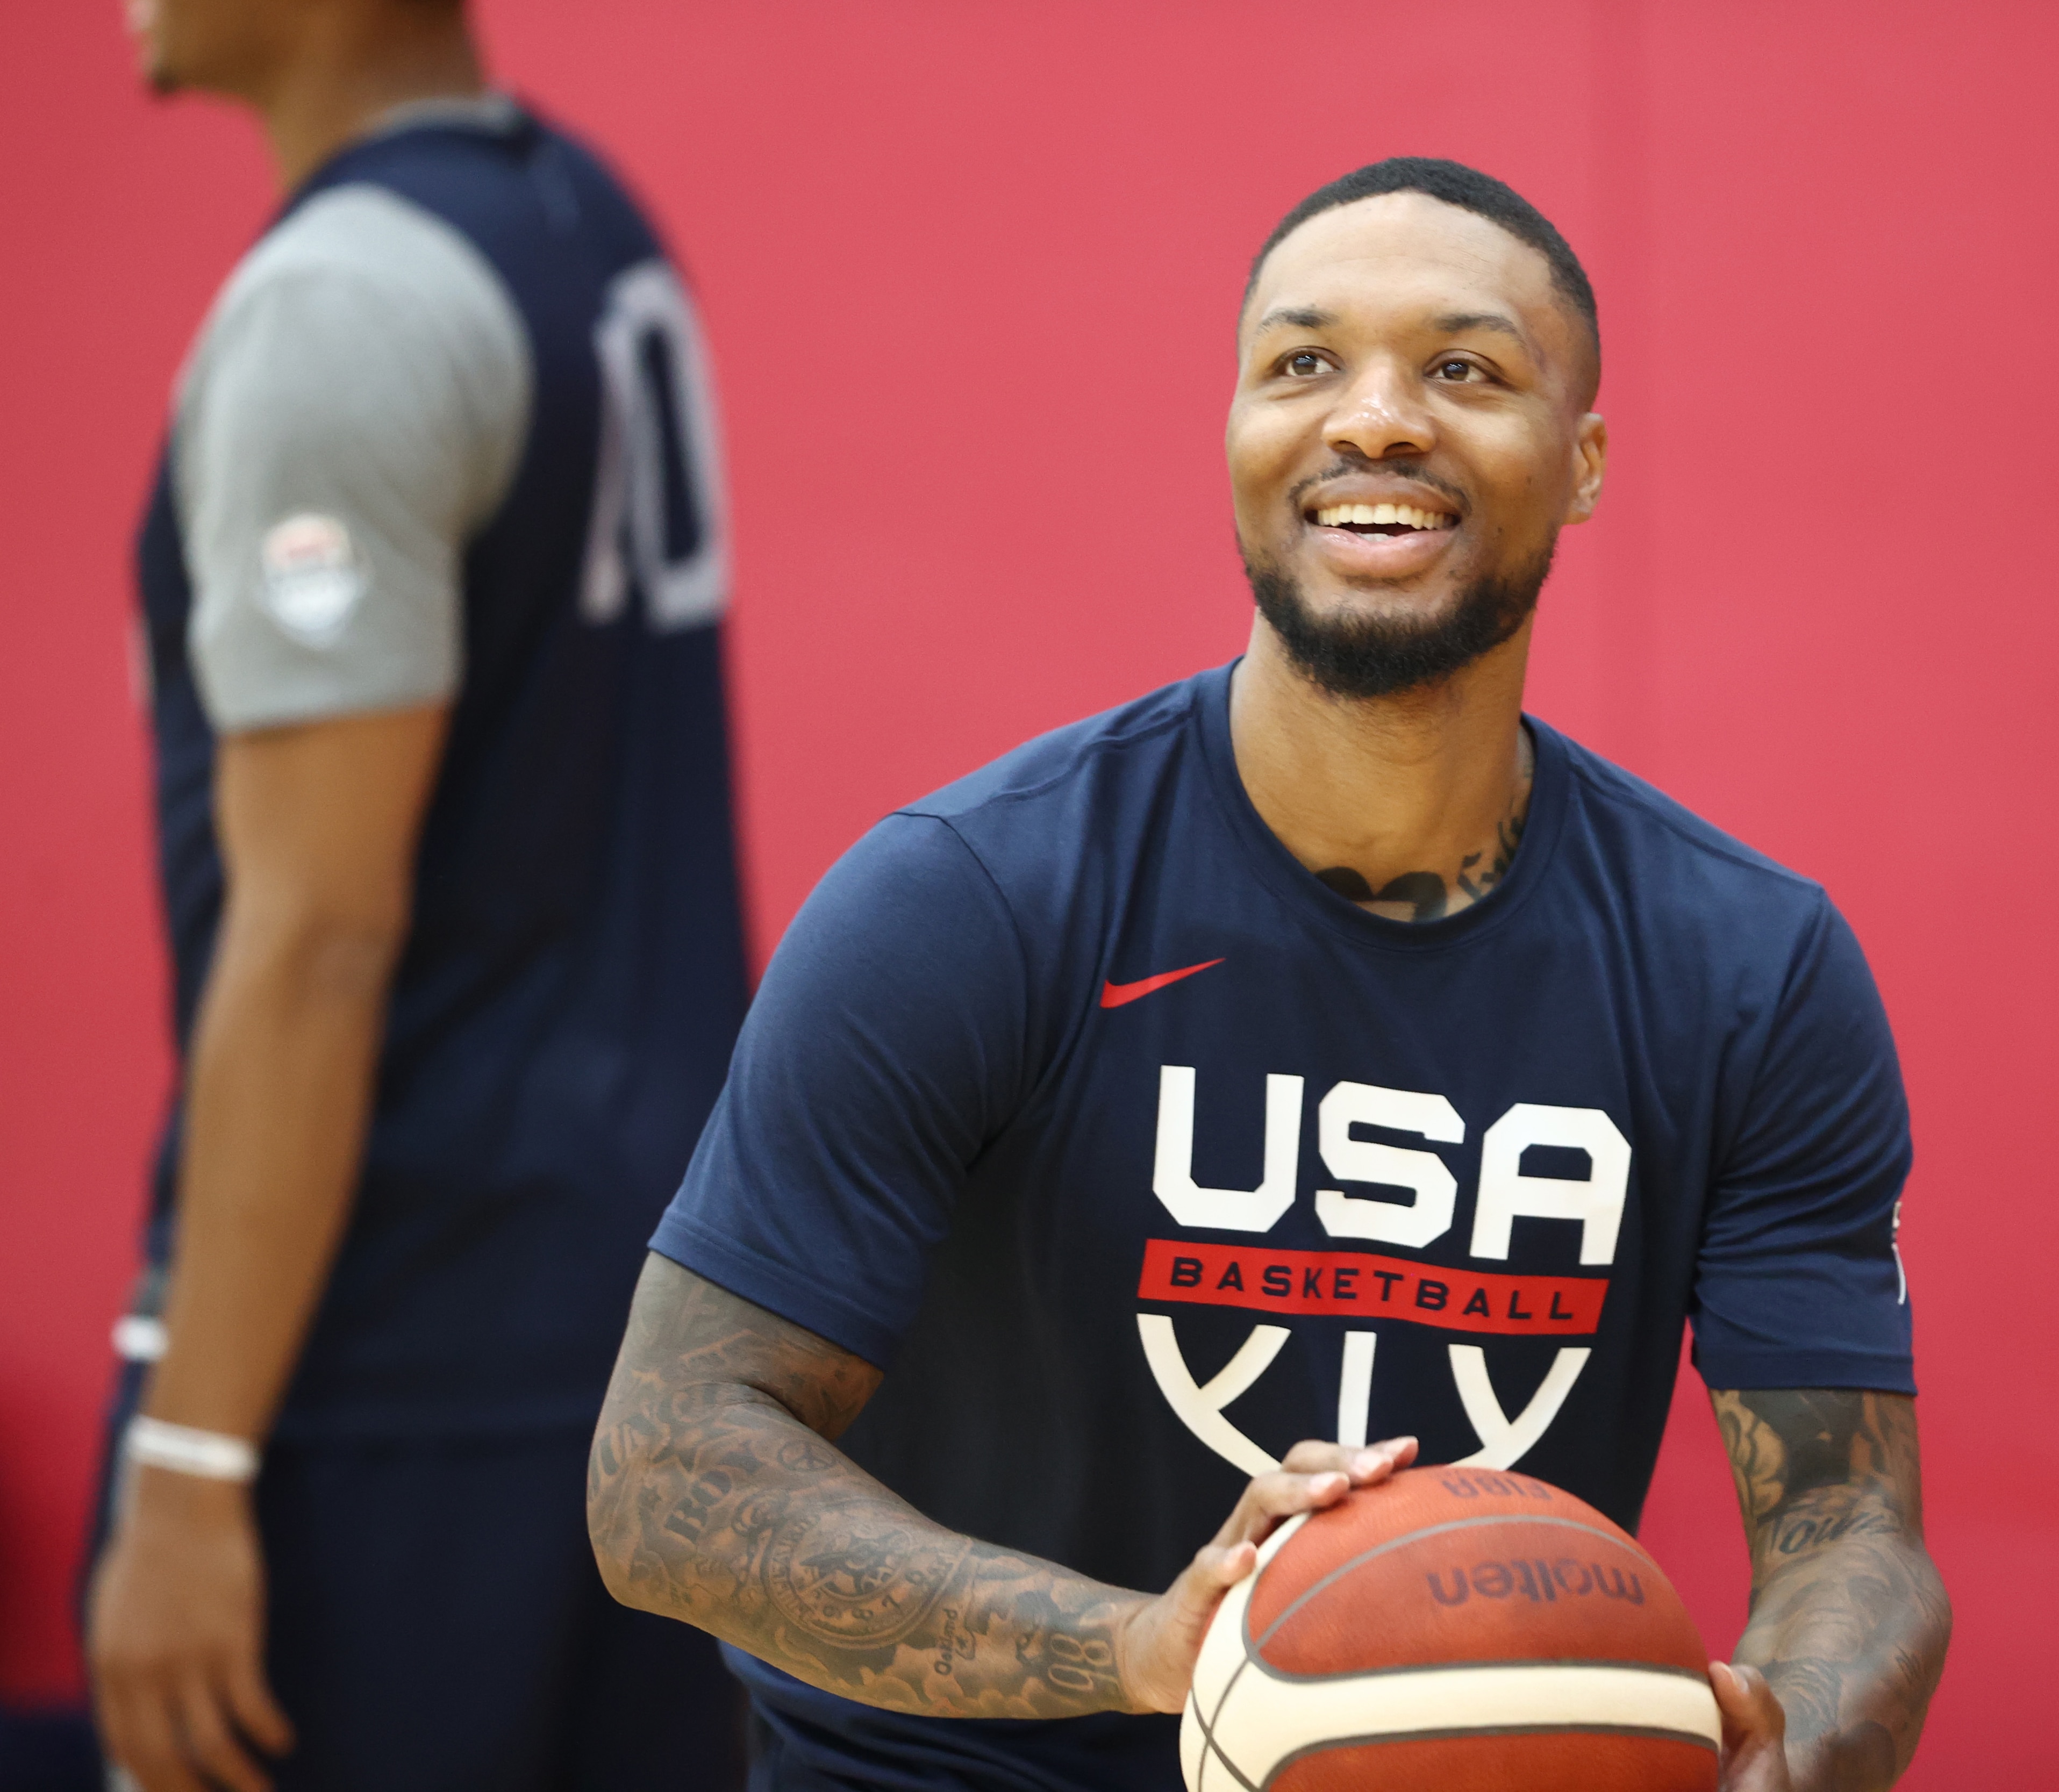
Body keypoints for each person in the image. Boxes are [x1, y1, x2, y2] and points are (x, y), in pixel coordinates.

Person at [589, 157, 1950, 1792]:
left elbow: (1853, 1532)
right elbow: (668, 1474)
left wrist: (1787, 1741)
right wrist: (1149, 1648)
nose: (1374, 420)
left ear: (1581, 465)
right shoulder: (970, 898)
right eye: (1303, 364)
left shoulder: (1751, 972)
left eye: (1466, 368)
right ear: (1234, 440)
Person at [85, 1, 752, 1788]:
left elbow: (317, 939)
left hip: (399, 1368)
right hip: (660, 1332)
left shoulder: (341, 308)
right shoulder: (585, 217)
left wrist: (193, 1463)